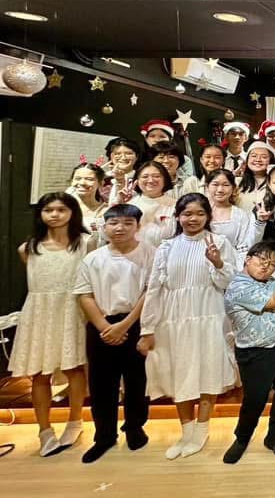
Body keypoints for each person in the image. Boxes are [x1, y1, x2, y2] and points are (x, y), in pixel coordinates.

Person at [138, 193, 239, 459]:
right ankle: (186, 431)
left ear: (208, 216)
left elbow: (231, 283)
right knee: (178, 372)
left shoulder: (219, 242)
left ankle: (202, 430)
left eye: (199, 214)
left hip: (209, 315)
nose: (193, 219)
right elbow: (154, 288)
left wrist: (217, 262)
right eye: (187, 214)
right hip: (173, 318)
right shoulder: (167, 247)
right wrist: (147, 328)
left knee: (207, 370)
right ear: (178, 216)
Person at [8, 193, 89, 456]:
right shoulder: (28, 248)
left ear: (72, 212)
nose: (54, 215)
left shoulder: (85, 244)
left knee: (74, 368)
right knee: (39, 373)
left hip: (72, 310)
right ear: (40, 214)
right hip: (39, 312)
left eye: (61, 209)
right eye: (48, 210)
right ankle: (44, 429)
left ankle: (75, 421)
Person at [74, 204, 153, 463]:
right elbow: (84, 295)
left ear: (138, 226)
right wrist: (104, 327)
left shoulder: (150, 254)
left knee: (137, 380)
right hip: (101, 325)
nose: (120, 228)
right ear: (104, 226)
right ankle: (104, 436)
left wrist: (124, 325)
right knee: (101, 383)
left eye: (128, 223)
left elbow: (150, 293)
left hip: (136, 323)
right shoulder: (93, 258)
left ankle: (135, 428)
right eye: (114, 223)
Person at [222, 242, 275, 463]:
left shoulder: (270, 281)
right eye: (262, 259)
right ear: (248, 258)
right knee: (255, 399)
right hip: (254, 352)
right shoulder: (239, 286)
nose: (266, 266)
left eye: (272, 264)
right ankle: (242, 439)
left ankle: (274, 436)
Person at [124, 161, 176, 248]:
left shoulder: (176, 205)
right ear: (137, 181)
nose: (151, 180)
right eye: (145, 177)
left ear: (165, 179)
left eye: (157, 176)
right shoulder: (129, 206)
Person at [205, 169, 256, 256]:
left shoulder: (240, 215)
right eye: (215, 184)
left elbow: (243, 247)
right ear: (207, 187)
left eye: (226, 185)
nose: (220, 190)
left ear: (233, 188)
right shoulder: (201, 212)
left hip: (231, 261)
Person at [68, 161, 108, 249]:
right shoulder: (64, 208)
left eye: (89, 179)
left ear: (101, 183)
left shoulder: (106, 210)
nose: (82, 183)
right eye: (78, 178)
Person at [237, 141, 275, 213]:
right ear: (247, 160)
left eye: (264, 157)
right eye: (254, 156)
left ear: (271, 161)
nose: (258, 160)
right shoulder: (236, 182)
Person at [103, 137, 141, 205]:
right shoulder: (103, 178)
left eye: (128, 153)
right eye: (117, 154)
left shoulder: (141, 179)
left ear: (137, 156)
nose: (123, 157)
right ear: (111, 156)